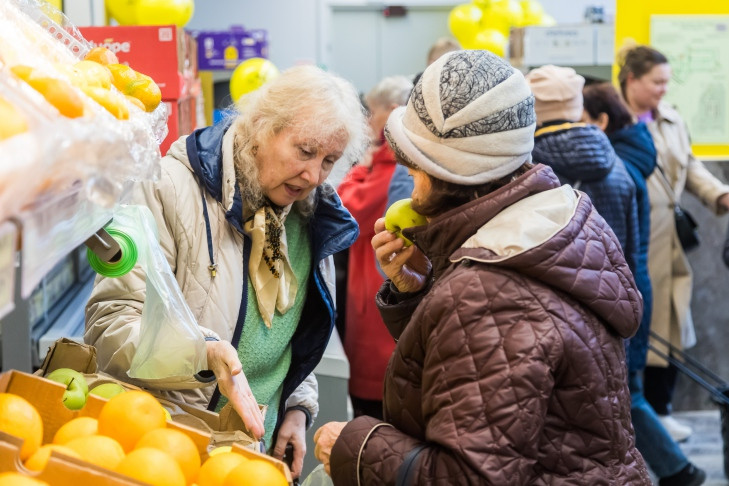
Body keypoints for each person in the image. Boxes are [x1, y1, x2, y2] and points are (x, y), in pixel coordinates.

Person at [313, 50, 650, 484]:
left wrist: (355, 446)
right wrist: (421, 291)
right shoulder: (549, 223)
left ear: (441, 170)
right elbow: (480, 376)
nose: (411, 190)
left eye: (414, 170)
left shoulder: (488, 291)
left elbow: (466, 476)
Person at [85, 64, 369, 479]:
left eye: (329, 160)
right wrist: (200, 352)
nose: (314, 175)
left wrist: (296, 406)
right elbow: (110, 325)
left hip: (257, 448)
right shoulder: (168, 187)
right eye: (305, 151)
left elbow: (293, 332)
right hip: (172, 447)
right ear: (261, 128)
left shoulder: (310, 213)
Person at [583, 82, 706, 486]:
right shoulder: (627, 156)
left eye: (578, 120)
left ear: (600, 121)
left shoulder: (610, 170)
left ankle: (678, 471)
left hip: (625, 294)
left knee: (628, 395)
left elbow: (607, 251)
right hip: (634, 289)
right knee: (628, 393)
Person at [619, 44, 729, 443]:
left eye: (667, 82)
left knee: (670, 323)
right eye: (656, 82)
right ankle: (636, 415)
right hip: (634, 238)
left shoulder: (672, 120)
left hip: (670, 243)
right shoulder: (614, 121)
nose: (664, 90)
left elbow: (692, 165)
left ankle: (660, 411)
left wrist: (719, 194)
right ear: (632, 80)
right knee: (638, 325)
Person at [337, 75, 413, 420]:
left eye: (372, 112)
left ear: (393, 112)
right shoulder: (390, 162)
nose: (367, 121)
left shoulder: (392, 166)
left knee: (376, 405)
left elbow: (345, 206)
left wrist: (357, 170)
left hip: (378, 295)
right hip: (375, 291)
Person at [526, 65, 640, 277]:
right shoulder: (618, 166)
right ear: (578, 107)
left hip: (550, 297)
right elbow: (633, 253)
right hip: (610, 294)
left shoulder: (526, 169)